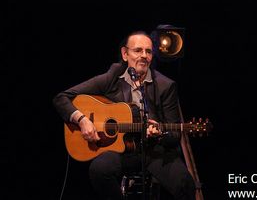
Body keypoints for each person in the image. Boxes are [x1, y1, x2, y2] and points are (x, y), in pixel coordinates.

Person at [53, 31, 196, 200]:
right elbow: (61, 98)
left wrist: (159, 135)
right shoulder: (112, 77)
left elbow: (174, 134)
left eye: (148, 52)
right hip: (122, 150)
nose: (144, 56)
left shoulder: (166, 86)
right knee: (100, 170)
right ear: (125, 54)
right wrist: (82, 119)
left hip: (154, 151)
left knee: (185, 183)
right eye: (138, 50)